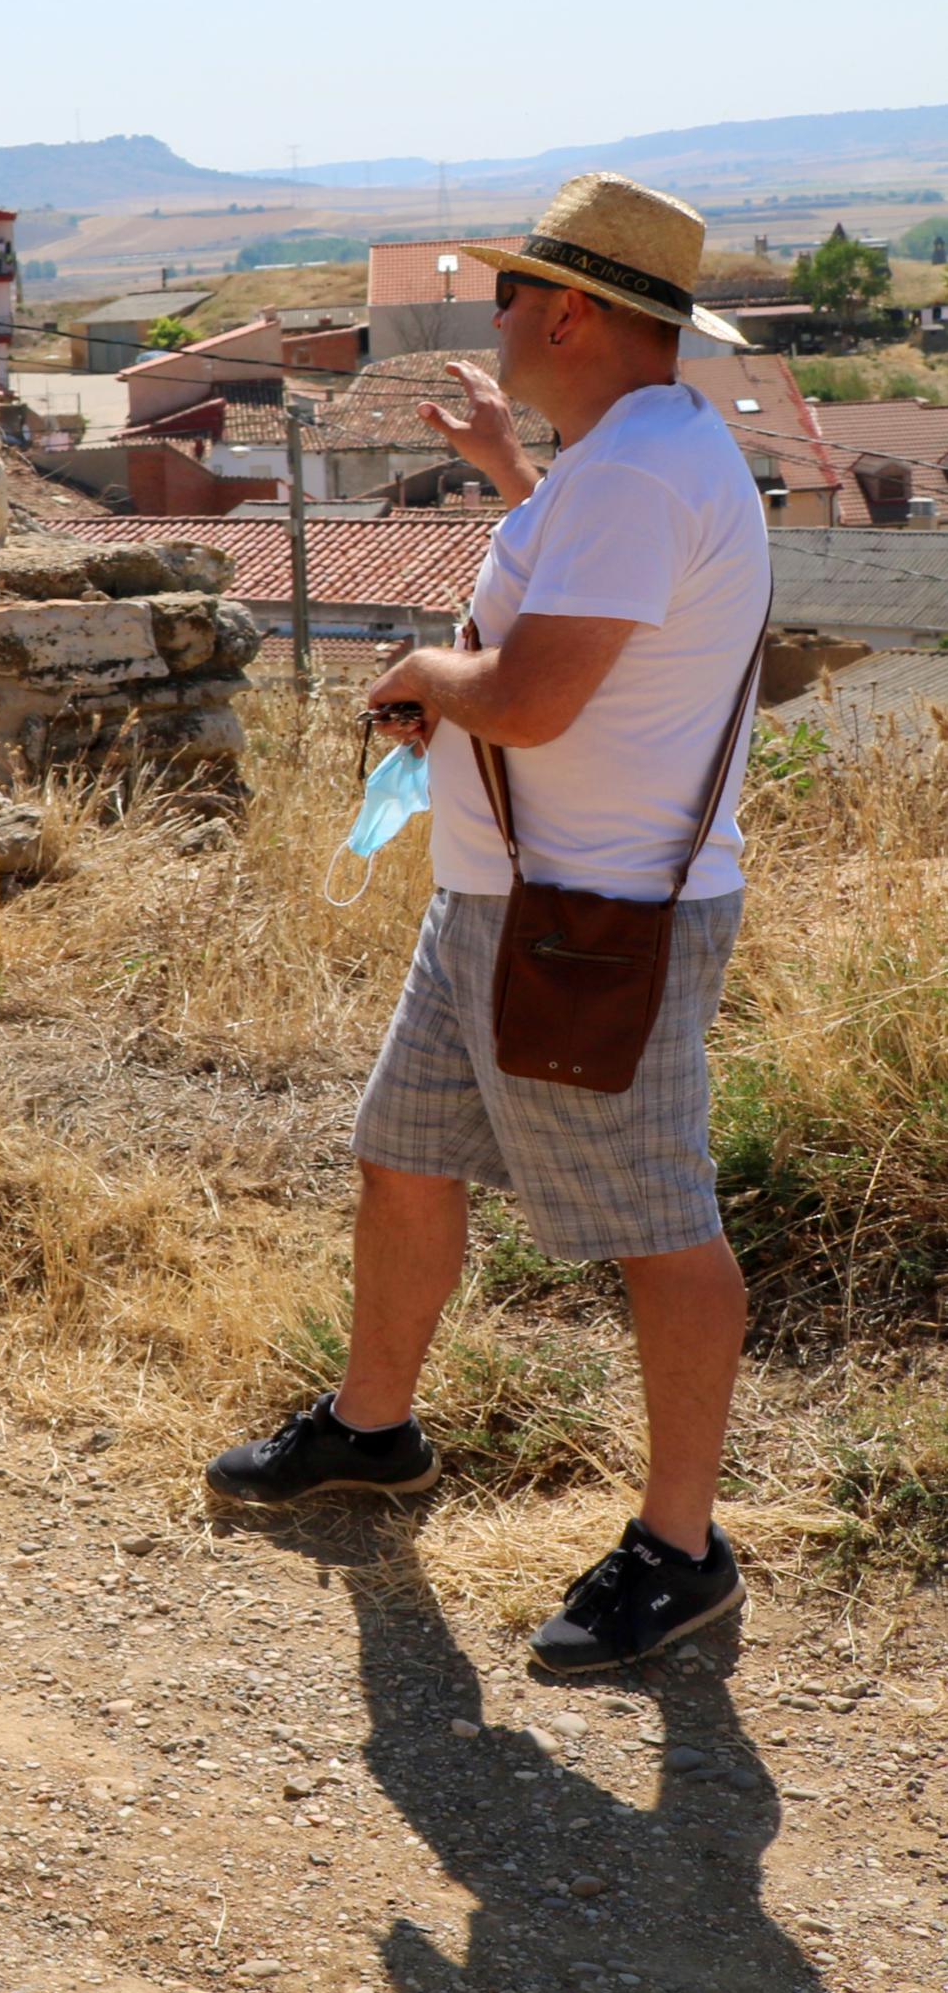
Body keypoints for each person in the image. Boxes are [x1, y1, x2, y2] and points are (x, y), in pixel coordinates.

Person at [207, 173, 772, 1674]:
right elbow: (583, 599)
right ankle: (372, 1429)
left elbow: (521, 693)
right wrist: (513, 470)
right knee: (400, 1155)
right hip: (512, 900)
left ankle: (680, 1545)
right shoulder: (620, 459)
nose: (498, 313)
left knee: (658, 1226)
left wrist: (411, 666)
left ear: (574, 311)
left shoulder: (637, 472)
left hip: (588, 917)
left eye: (514, 292)